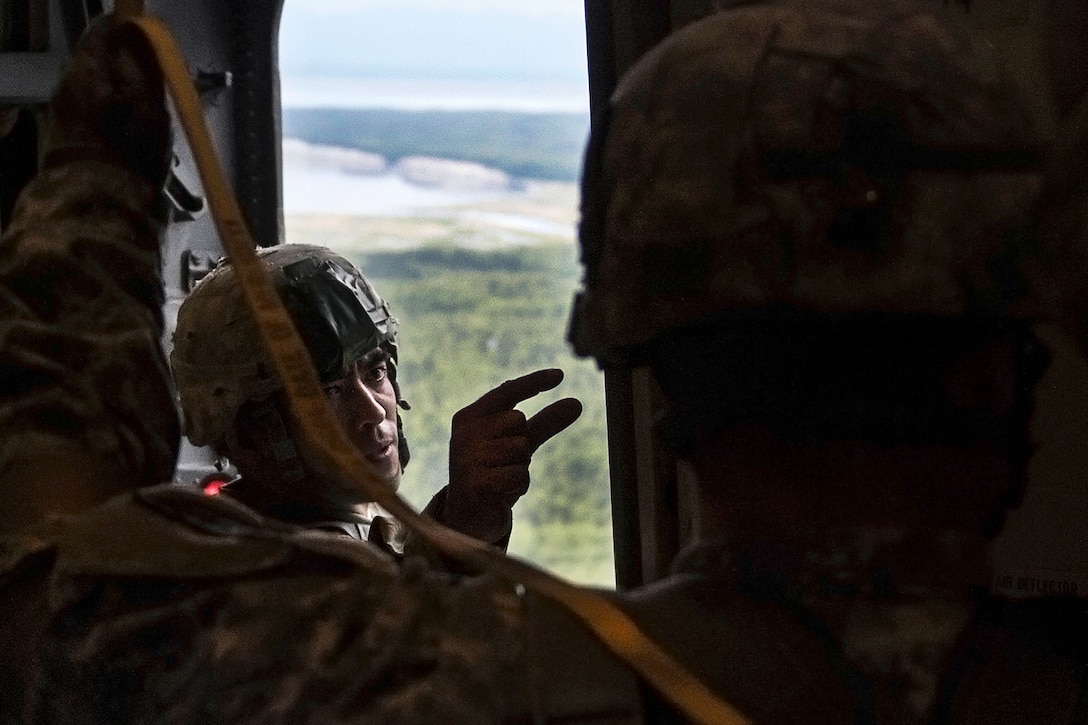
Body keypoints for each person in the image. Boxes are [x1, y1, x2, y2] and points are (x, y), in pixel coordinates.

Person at [2, 3, 1084, 723]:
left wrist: (90, 189)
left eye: (378, 364)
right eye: (325, 381)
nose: (373, 402)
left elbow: (40, 588)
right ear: (1009, 367)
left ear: (650, 365)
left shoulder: (433, 676)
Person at [169, 244, 581, 552]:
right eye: (327, 393)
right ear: (249, 434)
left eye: (375, 372)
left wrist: (467, 517)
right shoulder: (233, 564)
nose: (373, 410)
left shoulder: (364, 527)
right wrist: (464, 526)